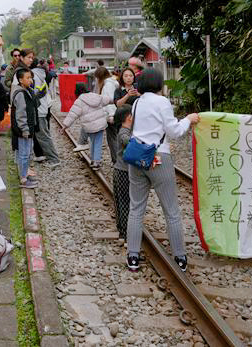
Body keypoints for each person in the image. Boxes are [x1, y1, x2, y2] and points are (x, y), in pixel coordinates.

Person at [126, 68, 200, 273]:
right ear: (158, 84)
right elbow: (174, 131)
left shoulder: (137, 102)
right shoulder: (162, 102)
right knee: (171, 211)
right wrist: (188, 119)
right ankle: (179, 256)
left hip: (137, 159)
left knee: (136, 208)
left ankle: (132, 255)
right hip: (159, 158)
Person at [62, 82, 111, 169]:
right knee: (98, 142)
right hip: (100, 125)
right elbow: (107, 100)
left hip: (89, 127)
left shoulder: (79, 101)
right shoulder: (95, 96)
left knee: (92, 142)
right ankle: (97, 161)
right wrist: (115, 100)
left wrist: (65, 125)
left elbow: (72, 114)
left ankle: (93, 160)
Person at [10, 67, 39, 189]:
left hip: (28, 128)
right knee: (24, 154)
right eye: (28, 78)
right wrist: (25, 129)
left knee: (27, 153)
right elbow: (21, 114)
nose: (30, 80)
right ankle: (23, 179)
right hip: (24, 130)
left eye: (31, 77)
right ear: (21, 80)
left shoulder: (26, 90)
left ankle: (25, 174)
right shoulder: (20, 93)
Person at [31, 60, 61, 166]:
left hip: (39, 110)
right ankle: (53, 158)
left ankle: (54, 159)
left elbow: (35, 95)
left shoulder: (34, 77)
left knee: (43, 136)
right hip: (42, 109)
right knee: (44, 135)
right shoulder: (41, 76)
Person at [112, 105, 134, 239]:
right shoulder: (123, 132)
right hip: (123, 171)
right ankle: (126, 233)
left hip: (120, 170)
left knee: (122, 202)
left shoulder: (125, 130)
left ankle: (122, 230)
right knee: (125, 203)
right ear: (128, 118)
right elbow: (129, 142)